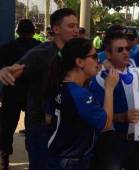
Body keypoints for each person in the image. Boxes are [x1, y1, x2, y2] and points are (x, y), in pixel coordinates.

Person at [0, 8, 79, 169]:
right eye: (71, 26)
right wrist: (5, 71)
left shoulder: (74, 53)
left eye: (77, 26)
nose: (76, 30)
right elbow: (17, 68)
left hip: (63, 127)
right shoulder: (42, 52)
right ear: (56, 29)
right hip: (41, 127)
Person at [88, 0, 139, 169]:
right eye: (119, 50)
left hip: (138, 141)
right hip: (112, 143)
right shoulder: (99, 79)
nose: (126, 52)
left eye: (127, 48)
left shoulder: (135, 65)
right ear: (107, 53)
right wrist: (122, 117)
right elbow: (99, 116)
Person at [44, 38, 118, 170]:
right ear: (79, 62)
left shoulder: (59, 84)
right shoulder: (79, 94)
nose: (98, 61)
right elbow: (105, 123)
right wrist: (109, 88)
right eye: (94, 57)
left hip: (56, 157)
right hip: (72, 161)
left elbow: (48, 118)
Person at [0, 19, 40, 170]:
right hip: (33, 93)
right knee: (33, 129)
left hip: (12, 90)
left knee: (7, 127)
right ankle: (33, 160)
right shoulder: (39, 47)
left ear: (17, 32)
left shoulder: (7, 47)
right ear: (34, 31)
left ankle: (5, 160)